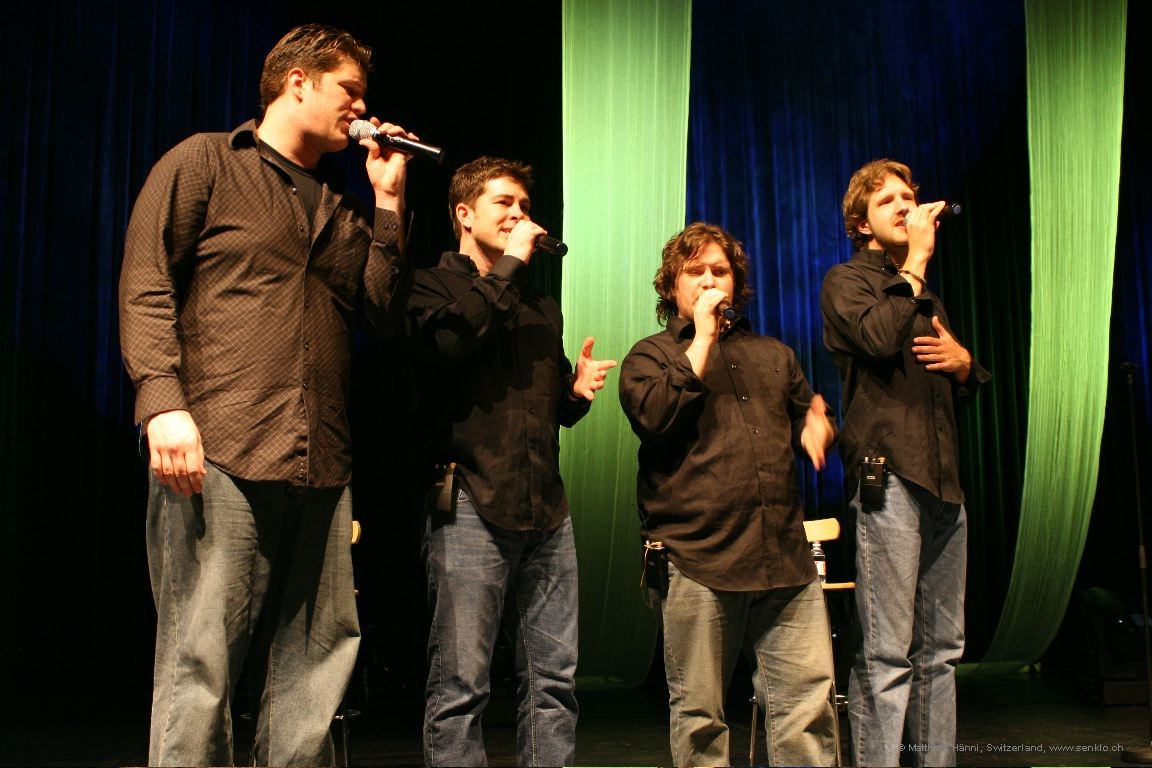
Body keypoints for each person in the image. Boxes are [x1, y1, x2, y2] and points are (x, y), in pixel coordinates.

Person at [118, 23, 416, 766]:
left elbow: (381, 311)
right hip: (219, 443)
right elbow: (147, 281)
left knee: (317, 660)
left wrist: (386, 201)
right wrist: (162, 401)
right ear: (297, 80)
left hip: (321, 459)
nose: (361, 108)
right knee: (201, 658)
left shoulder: (343, 207)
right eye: (350, 90)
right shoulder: (206, 162)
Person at [406, 156, 617, 767]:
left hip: (546, 509)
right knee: (461, 685)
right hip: (470, 502)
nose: (520, 216)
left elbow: (546, 411)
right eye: (505, 203)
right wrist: (509, 267)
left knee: (554, 681)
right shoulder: (432, 286)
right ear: (464, 214)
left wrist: (574, 393)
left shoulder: (537, 306)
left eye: (525, 206)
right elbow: (450, 344)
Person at [618, 222, 839, 767]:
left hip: (783, 557)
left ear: (736, 284)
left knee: (807, 710)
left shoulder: (774, 354)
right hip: (699, 558)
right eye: (695, 272)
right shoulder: (649, 357)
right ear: (672, 285)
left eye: (720, 271)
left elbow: (806, 415)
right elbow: (656, 419)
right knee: (700, 717)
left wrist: (816, 426)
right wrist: (702, 340)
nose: (710, 281)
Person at [821, 159, 990, 766]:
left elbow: (946, 380)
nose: (905, 207)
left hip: (944, 485)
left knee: (942, 651)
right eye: (888, 200)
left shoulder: (925, 294)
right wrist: (916, 263)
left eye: (909, 197)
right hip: (890, 478)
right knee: (887, 652)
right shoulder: (847, 281)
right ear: (862, 224)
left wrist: (966, 366)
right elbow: (877, 338)